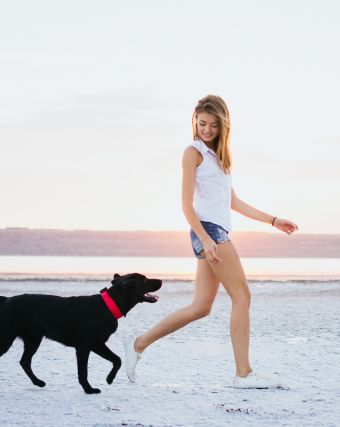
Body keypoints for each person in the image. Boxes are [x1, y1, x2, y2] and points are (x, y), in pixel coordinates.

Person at [124, 94, 298, 388]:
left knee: (200, 307)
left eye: (213, 125)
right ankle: (243, 374)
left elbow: (234, 202)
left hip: (215, 233)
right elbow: (186, 206)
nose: (206, 129)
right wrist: (206, 239)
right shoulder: (193, 152)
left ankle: (138, 344)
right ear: (195, 121)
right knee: (242, 297)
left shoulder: (220, 159)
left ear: (223, 127)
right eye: (201, 123)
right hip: (208, 232)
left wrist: (272, 220)